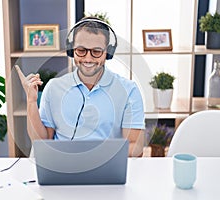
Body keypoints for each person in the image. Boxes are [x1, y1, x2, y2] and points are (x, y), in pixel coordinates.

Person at [16, 17, 145, 157]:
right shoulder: (54, 87)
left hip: (106, 166)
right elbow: (42, 141)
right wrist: (31, 101)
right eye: (81, 50)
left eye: (96, 51)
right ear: (71, 50)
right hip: (62, 167)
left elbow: (135, 147)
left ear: (108, 52)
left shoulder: (128, 90)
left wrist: (94, 158)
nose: (88, 59)